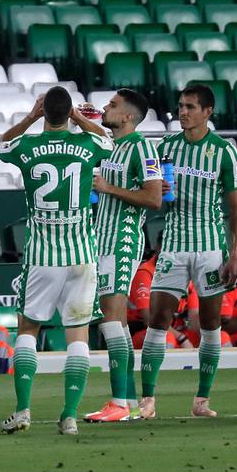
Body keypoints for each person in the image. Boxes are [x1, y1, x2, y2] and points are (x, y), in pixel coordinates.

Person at [0, 87, 114, 436]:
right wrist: (77, 118)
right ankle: (70, 415)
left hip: (42, 254)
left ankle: (23, 410)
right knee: (78, 335)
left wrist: (31, 118)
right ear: (70, 112)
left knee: (29, 330)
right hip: (81, 253)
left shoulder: (27, 147)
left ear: (45, 111)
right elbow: (106, 140)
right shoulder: (88, 145)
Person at [139, 83, 237, 420]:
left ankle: (202, 399)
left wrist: (236, 253)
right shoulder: (166, 146)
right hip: (172, 245)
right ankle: (148, 400)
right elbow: (149, 193)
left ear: (207, 112)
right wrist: (156, 188)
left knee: (211, 324)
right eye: (180, 106)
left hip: (211, 247)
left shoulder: (224, 152)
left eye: (190, 107)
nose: (182, 112)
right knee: (158, 319)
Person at [85, 89, 163, 424]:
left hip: (123, 240)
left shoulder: (142, 147)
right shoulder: (111, 144)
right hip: (102, 241)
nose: (106, 107)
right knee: (110, 322)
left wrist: (109, 189)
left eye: (113, 105)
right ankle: (126, 401)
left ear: (128, 116)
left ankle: (121, 402)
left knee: (112, 321)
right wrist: (78, 117)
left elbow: (155, 198)